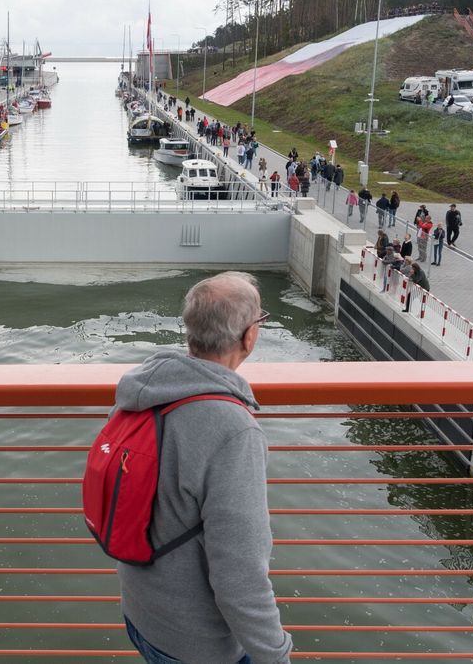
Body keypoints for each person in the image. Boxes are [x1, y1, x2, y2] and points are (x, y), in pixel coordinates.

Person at [115, 273, 295, 664]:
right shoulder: (232, 430)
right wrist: (277, 656)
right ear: (250, 337)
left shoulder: (143, 391)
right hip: (196, 644)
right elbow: (241, 575)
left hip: (142, 613)